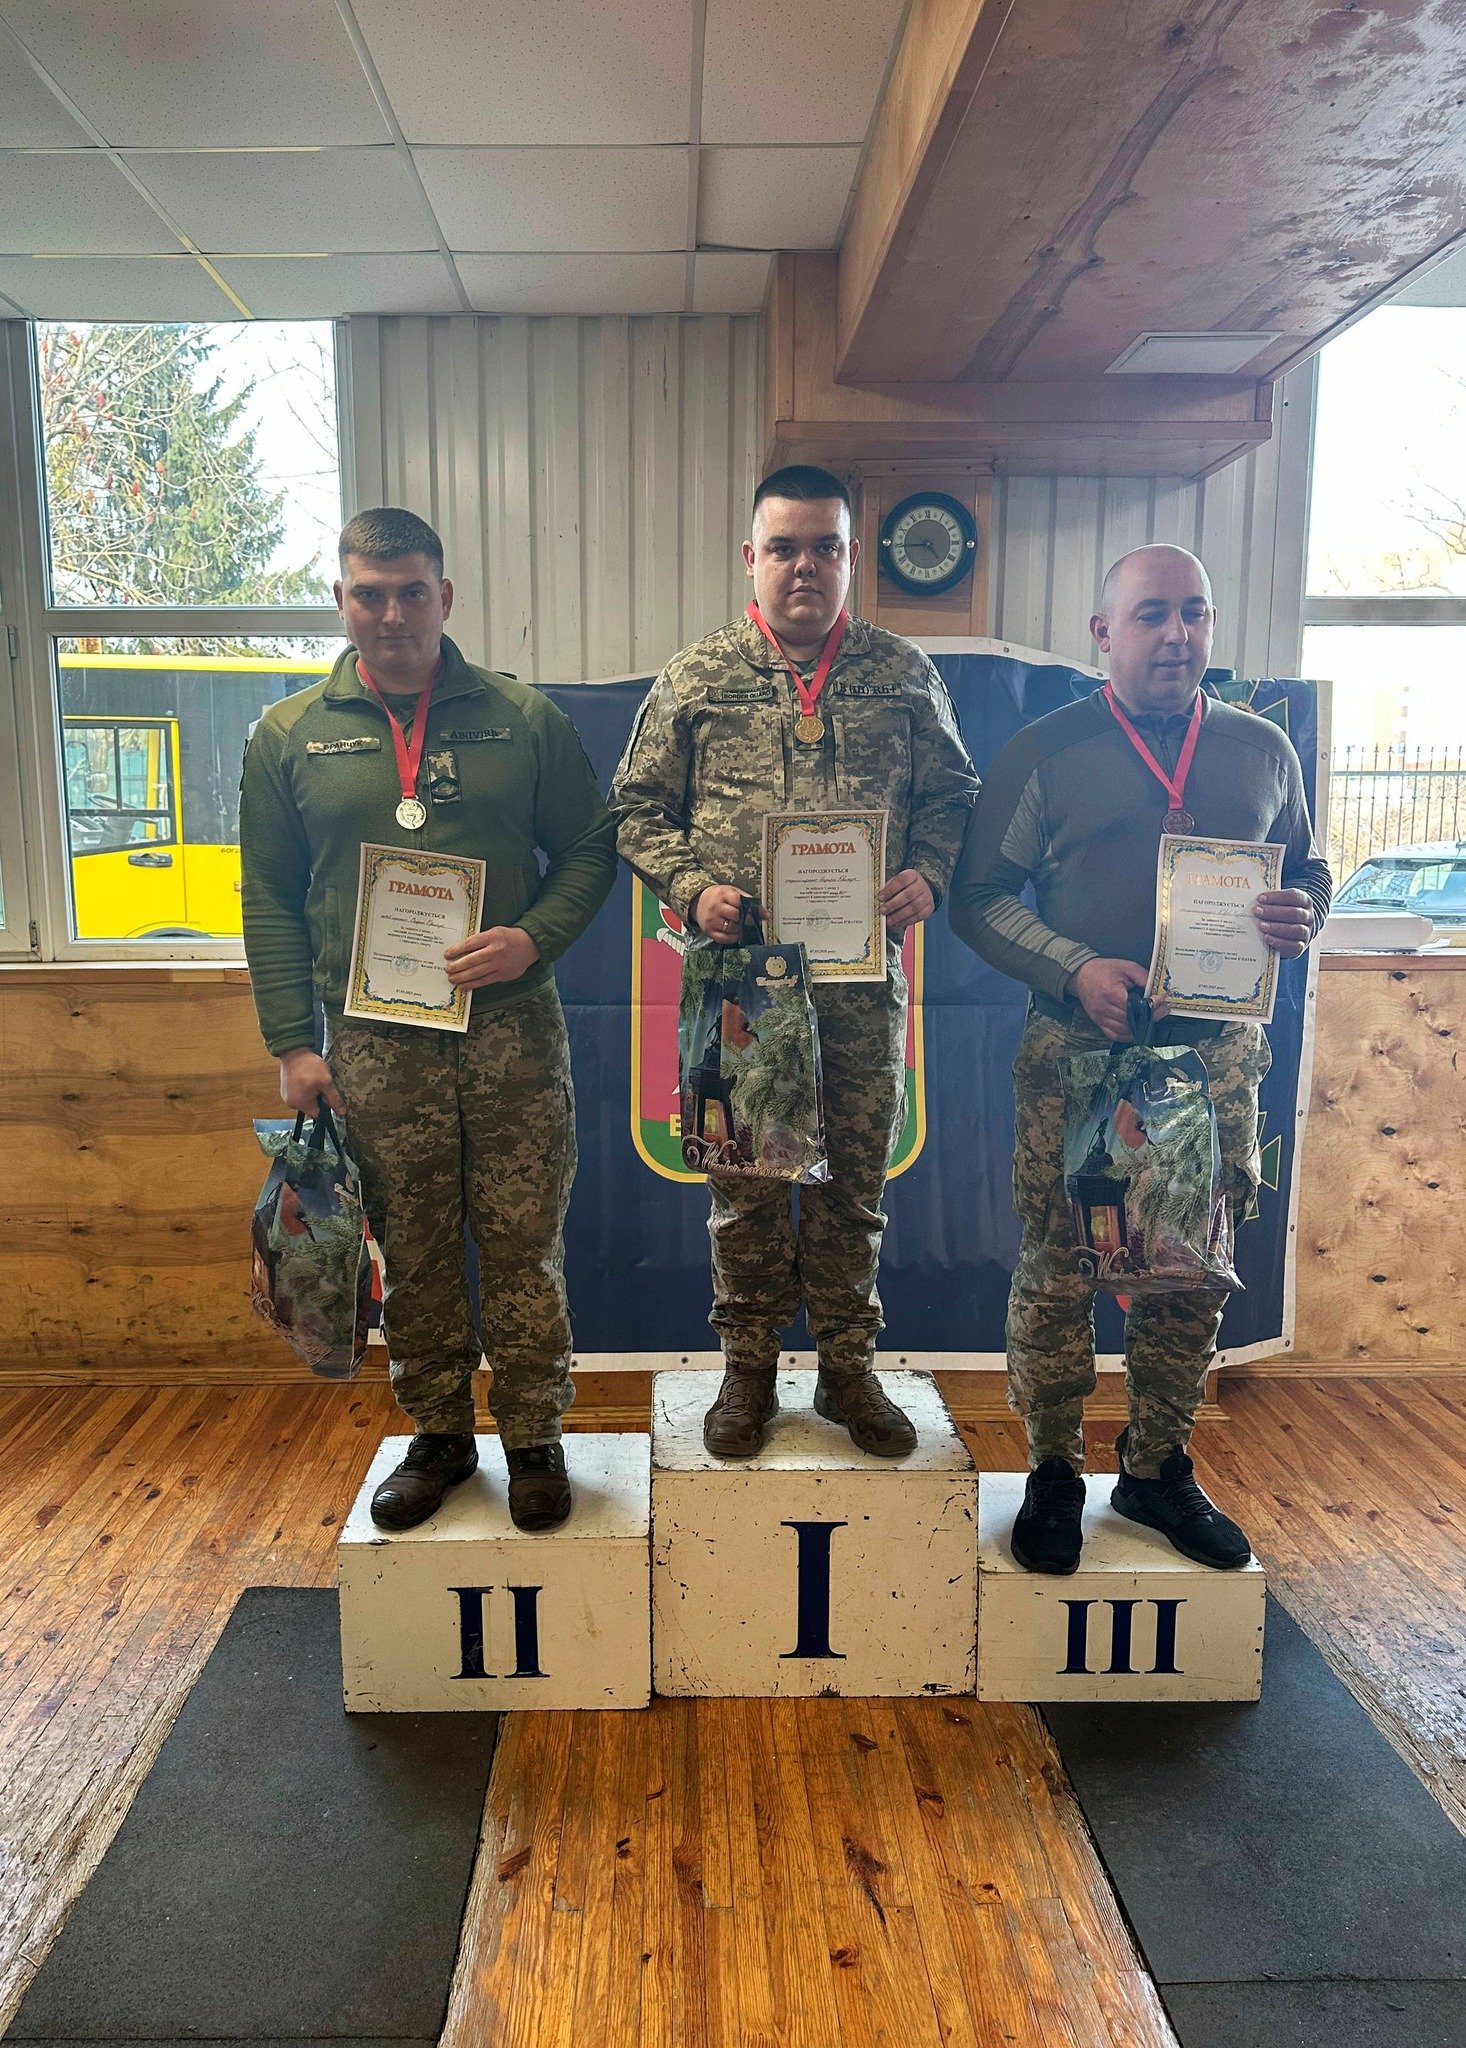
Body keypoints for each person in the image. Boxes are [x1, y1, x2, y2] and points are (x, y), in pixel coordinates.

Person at [948, 544, 1331, 1573]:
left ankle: (1156, 1467)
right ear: (1102, 632)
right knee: (1060, 1269)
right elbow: (977, 897)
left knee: (1188, 1273)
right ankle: (1052, 1470)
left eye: (1194, 613)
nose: (1176, 635)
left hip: (1212, 1062)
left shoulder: (1261, 750)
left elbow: (1309, 868)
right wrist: (1072, 967)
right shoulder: (1044, 750)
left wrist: (1304, 912)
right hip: (1080, 1055)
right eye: (1152, 614)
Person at [240, 507, 617, 1532]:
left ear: (444, 597)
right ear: (341, 601)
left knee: (522, 1243)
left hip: (510, 1029)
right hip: (372, 1040)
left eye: (412, 592)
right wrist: (292, 1041)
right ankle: (441, 1434)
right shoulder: (288, 736)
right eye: (370, 594)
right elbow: (268, 896)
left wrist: (532, 937)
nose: (393, 614)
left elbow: (591, 847)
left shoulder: (522, 719)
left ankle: (533, 1435)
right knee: (410, 1247)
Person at [612, 465, 980, 1458]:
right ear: (751, 557)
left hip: (859, 988)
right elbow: (634, 809)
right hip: (741, 987)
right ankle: (746, 1374)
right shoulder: (697, 678)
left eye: (825, 547)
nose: (804, 566)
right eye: (784, 547)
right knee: (745, 1190)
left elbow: (953, 794)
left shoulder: (903, 674)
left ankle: (848, 1372)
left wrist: (929, 873)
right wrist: (693, 888)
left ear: (851, 557)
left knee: (851, 1193)